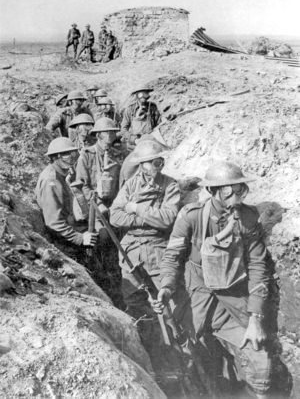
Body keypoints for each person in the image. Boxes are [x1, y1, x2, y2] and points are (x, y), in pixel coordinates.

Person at [152, 161, 286, 399]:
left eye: (240, 190)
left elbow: (257, 266)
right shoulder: (191, 217)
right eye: (229, 191)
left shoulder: (247, 218)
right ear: (213, 192)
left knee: (260, 363)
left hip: (232, 299)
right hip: (195, 298)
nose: (236, 197)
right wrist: (166, 286)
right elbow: (172, 256)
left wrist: (255, 318)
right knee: (185, 358)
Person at [109, 141, 180, 355]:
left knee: (168, 304)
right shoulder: (130, 185)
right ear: (142, 165)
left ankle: (178, 354)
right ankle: (149, 351)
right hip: (131, 250)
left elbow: (167, 219)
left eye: (159, 161)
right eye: (152, 162)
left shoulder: (170, 185)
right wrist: (146, 218)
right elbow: (115, 216)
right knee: (135, 302)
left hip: (158, 249)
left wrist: (136, 208)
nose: (158, 165)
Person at [76, 118, 126, 308]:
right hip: (94, 209)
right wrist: (97, 204)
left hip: (114, 207)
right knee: (100, 243)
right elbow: (82, 185)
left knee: (116, 246)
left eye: (113, 132)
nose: (112, 136)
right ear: (98, 135)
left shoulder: (116, 154)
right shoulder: (86, 156)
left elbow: (121, 183)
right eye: (108, 133)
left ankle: (117, 282)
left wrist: (116, 205)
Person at [35, 137, 97, 258]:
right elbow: (54, 222)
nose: (71, 157)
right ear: (55, 157)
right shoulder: (51, 181)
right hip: (60, 241)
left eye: (72, 153)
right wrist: (80, 238)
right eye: (65, 154)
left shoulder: (61, 174)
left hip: (67, 230)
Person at [121, 86, 161, 151]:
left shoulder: (152, 107)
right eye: (140, 94)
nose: (143, 97)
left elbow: (158, 123)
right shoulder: (130, 109)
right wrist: (132, 138)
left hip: (151, 140)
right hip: (136, 142)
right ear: (136, 96)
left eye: (145, 94)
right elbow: (123, 129)